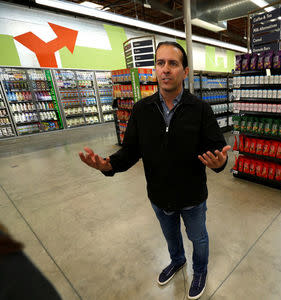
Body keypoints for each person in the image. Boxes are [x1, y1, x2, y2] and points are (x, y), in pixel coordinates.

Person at [79, 41, 230, 299]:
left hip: (192, 197)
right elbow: (129, 152)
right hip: (159, 196)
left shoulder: (201, 110)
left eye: (173, 63)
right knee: (171, 236)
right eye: (160, 63)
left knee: (199, 238)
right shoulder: (141, 110)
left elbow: (217, 150)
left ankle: (200, 270)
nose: (166, 69)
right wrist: (108, 165)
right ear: (154, 69)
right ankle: (178, 260)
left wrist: (220, 164)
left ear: (185, 71)